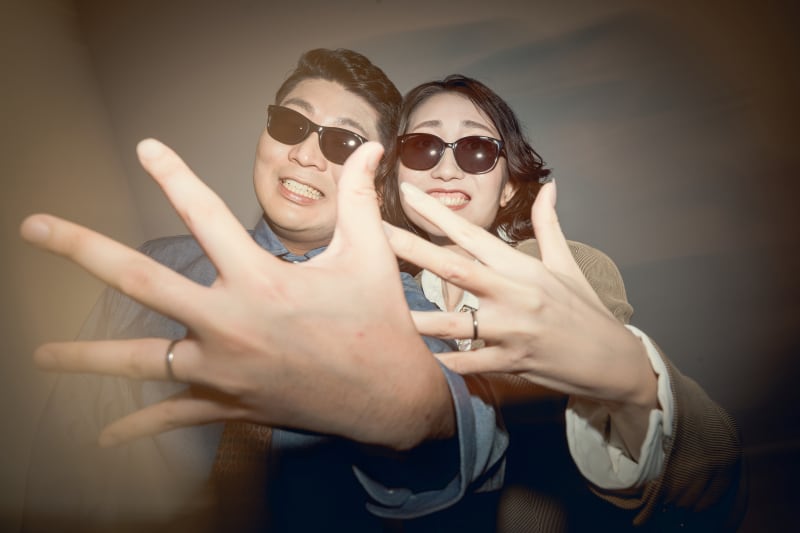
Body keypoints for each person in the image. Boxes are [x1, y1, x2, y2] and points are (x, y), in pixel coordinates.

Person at [21, 50, 509, 532]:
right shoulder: (152, 267)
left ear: (378, 184)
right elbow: (65, 450)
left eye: (343, 143)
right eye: (292, 125)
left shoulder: (396, 303)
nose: (305, 154)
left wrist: (415, 415)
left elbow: (464, 427)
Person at [377, 74, 747, 530]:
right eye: (422, 146)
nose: (447, 169)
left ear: (509, 186)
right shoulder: (387, 300)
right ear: (396, 174)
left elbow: (707, 473)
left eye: (476, 148)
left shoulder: (562, 270)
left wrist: (634, 386)